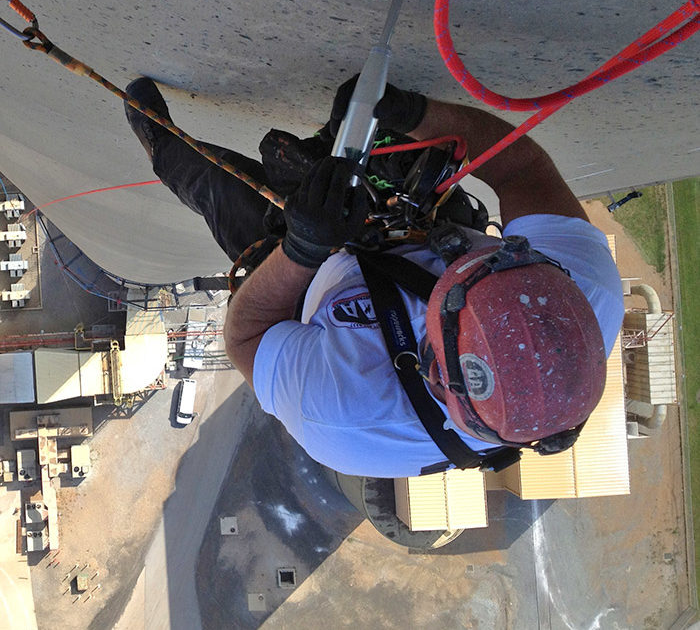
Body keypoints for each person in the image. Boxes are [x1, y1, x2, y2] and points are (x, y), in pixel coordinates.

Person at [124, 76, 624, 478]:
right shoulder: (583, 292)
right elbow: (520, 171)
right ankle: (350, 156)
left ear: (434, 370)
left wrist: (300, 250)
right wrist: (417, 113)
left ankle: (160, 143)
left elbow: (247, 336)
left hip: (306, 294)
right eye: (492, 266)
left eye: (457, 278)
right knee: (401, 150)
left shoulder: (342, 415)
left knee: (219, 189)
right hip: (429, 230)